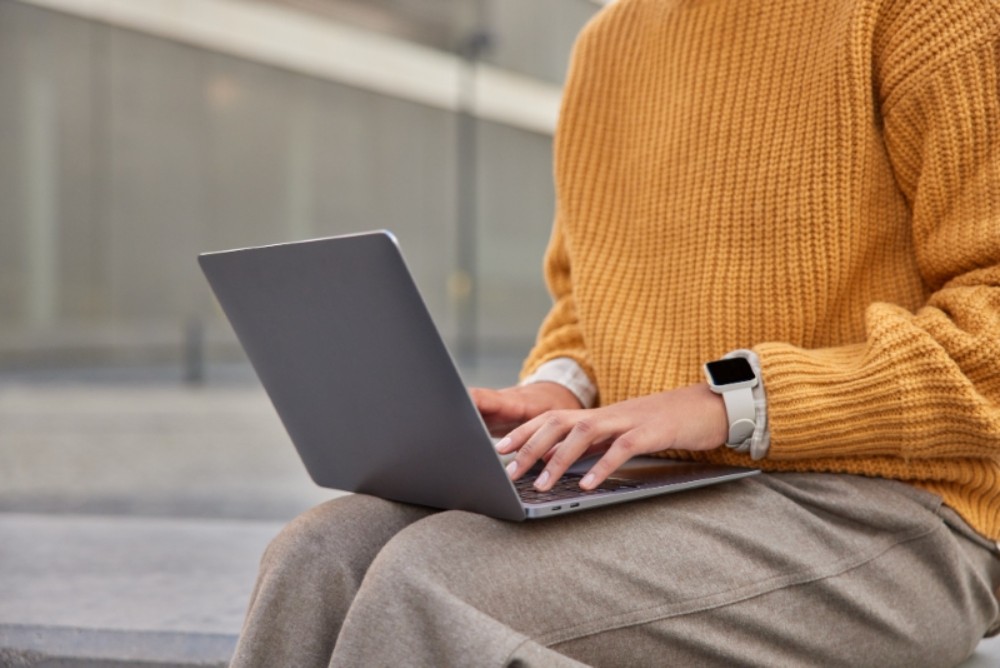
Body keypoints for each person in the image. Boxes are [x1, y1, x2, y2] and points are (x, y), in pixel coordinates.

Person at [230, 0, 1000, 665]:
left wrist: (720, 402)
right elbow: (587, 303)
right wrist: (555, 387)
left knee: (433, 586)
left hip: (900, 511)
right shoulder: (608, 46)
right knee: (318, 556)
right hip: (664, 486)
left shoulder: (929, 16)